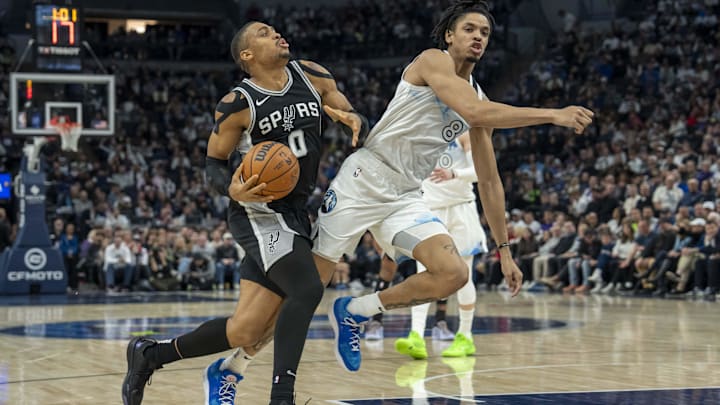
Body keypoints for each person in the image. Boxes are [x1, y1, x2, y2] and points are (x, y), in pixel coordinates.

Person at [314, 0, 593, 372]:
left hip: (406, 195)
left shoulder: (479, 99)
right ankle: (238, 364)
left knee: (454, 273)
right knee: (307, 288)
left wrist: (505, 251)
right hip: (365, 178)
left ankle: (354, 311)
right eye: (470, 29)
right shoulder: (433, 60)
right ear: (449, 35)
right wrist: (552, 114)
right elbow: (476, 112)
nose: (479, 36)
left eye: (485, 33)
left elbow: (490, 181)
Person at [121, 21, 364, 405]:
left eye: (276, 31)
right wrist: (230, 186)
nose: (278, 34)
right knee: (307, 289)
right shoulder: (238, 102)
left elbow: (346, 110)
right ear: (247, 56)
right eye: (265, 33)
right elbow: (213, 163)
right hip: (259, 213)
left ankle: (152, 354)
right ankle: (281, 396)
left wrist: (353, 119)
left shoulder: (313, 74)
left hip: (298, 211)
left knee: (245, 330)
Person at [365, 131, 489, 361]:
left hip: (461, 209)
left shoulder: (464, 134)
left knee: (464, 276)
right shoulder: (420, 135)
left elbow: (481, 171)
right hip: (430, 209)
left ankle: (465, 336)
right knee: (424, 274)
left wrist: (454, 173)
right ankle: (416, 336)